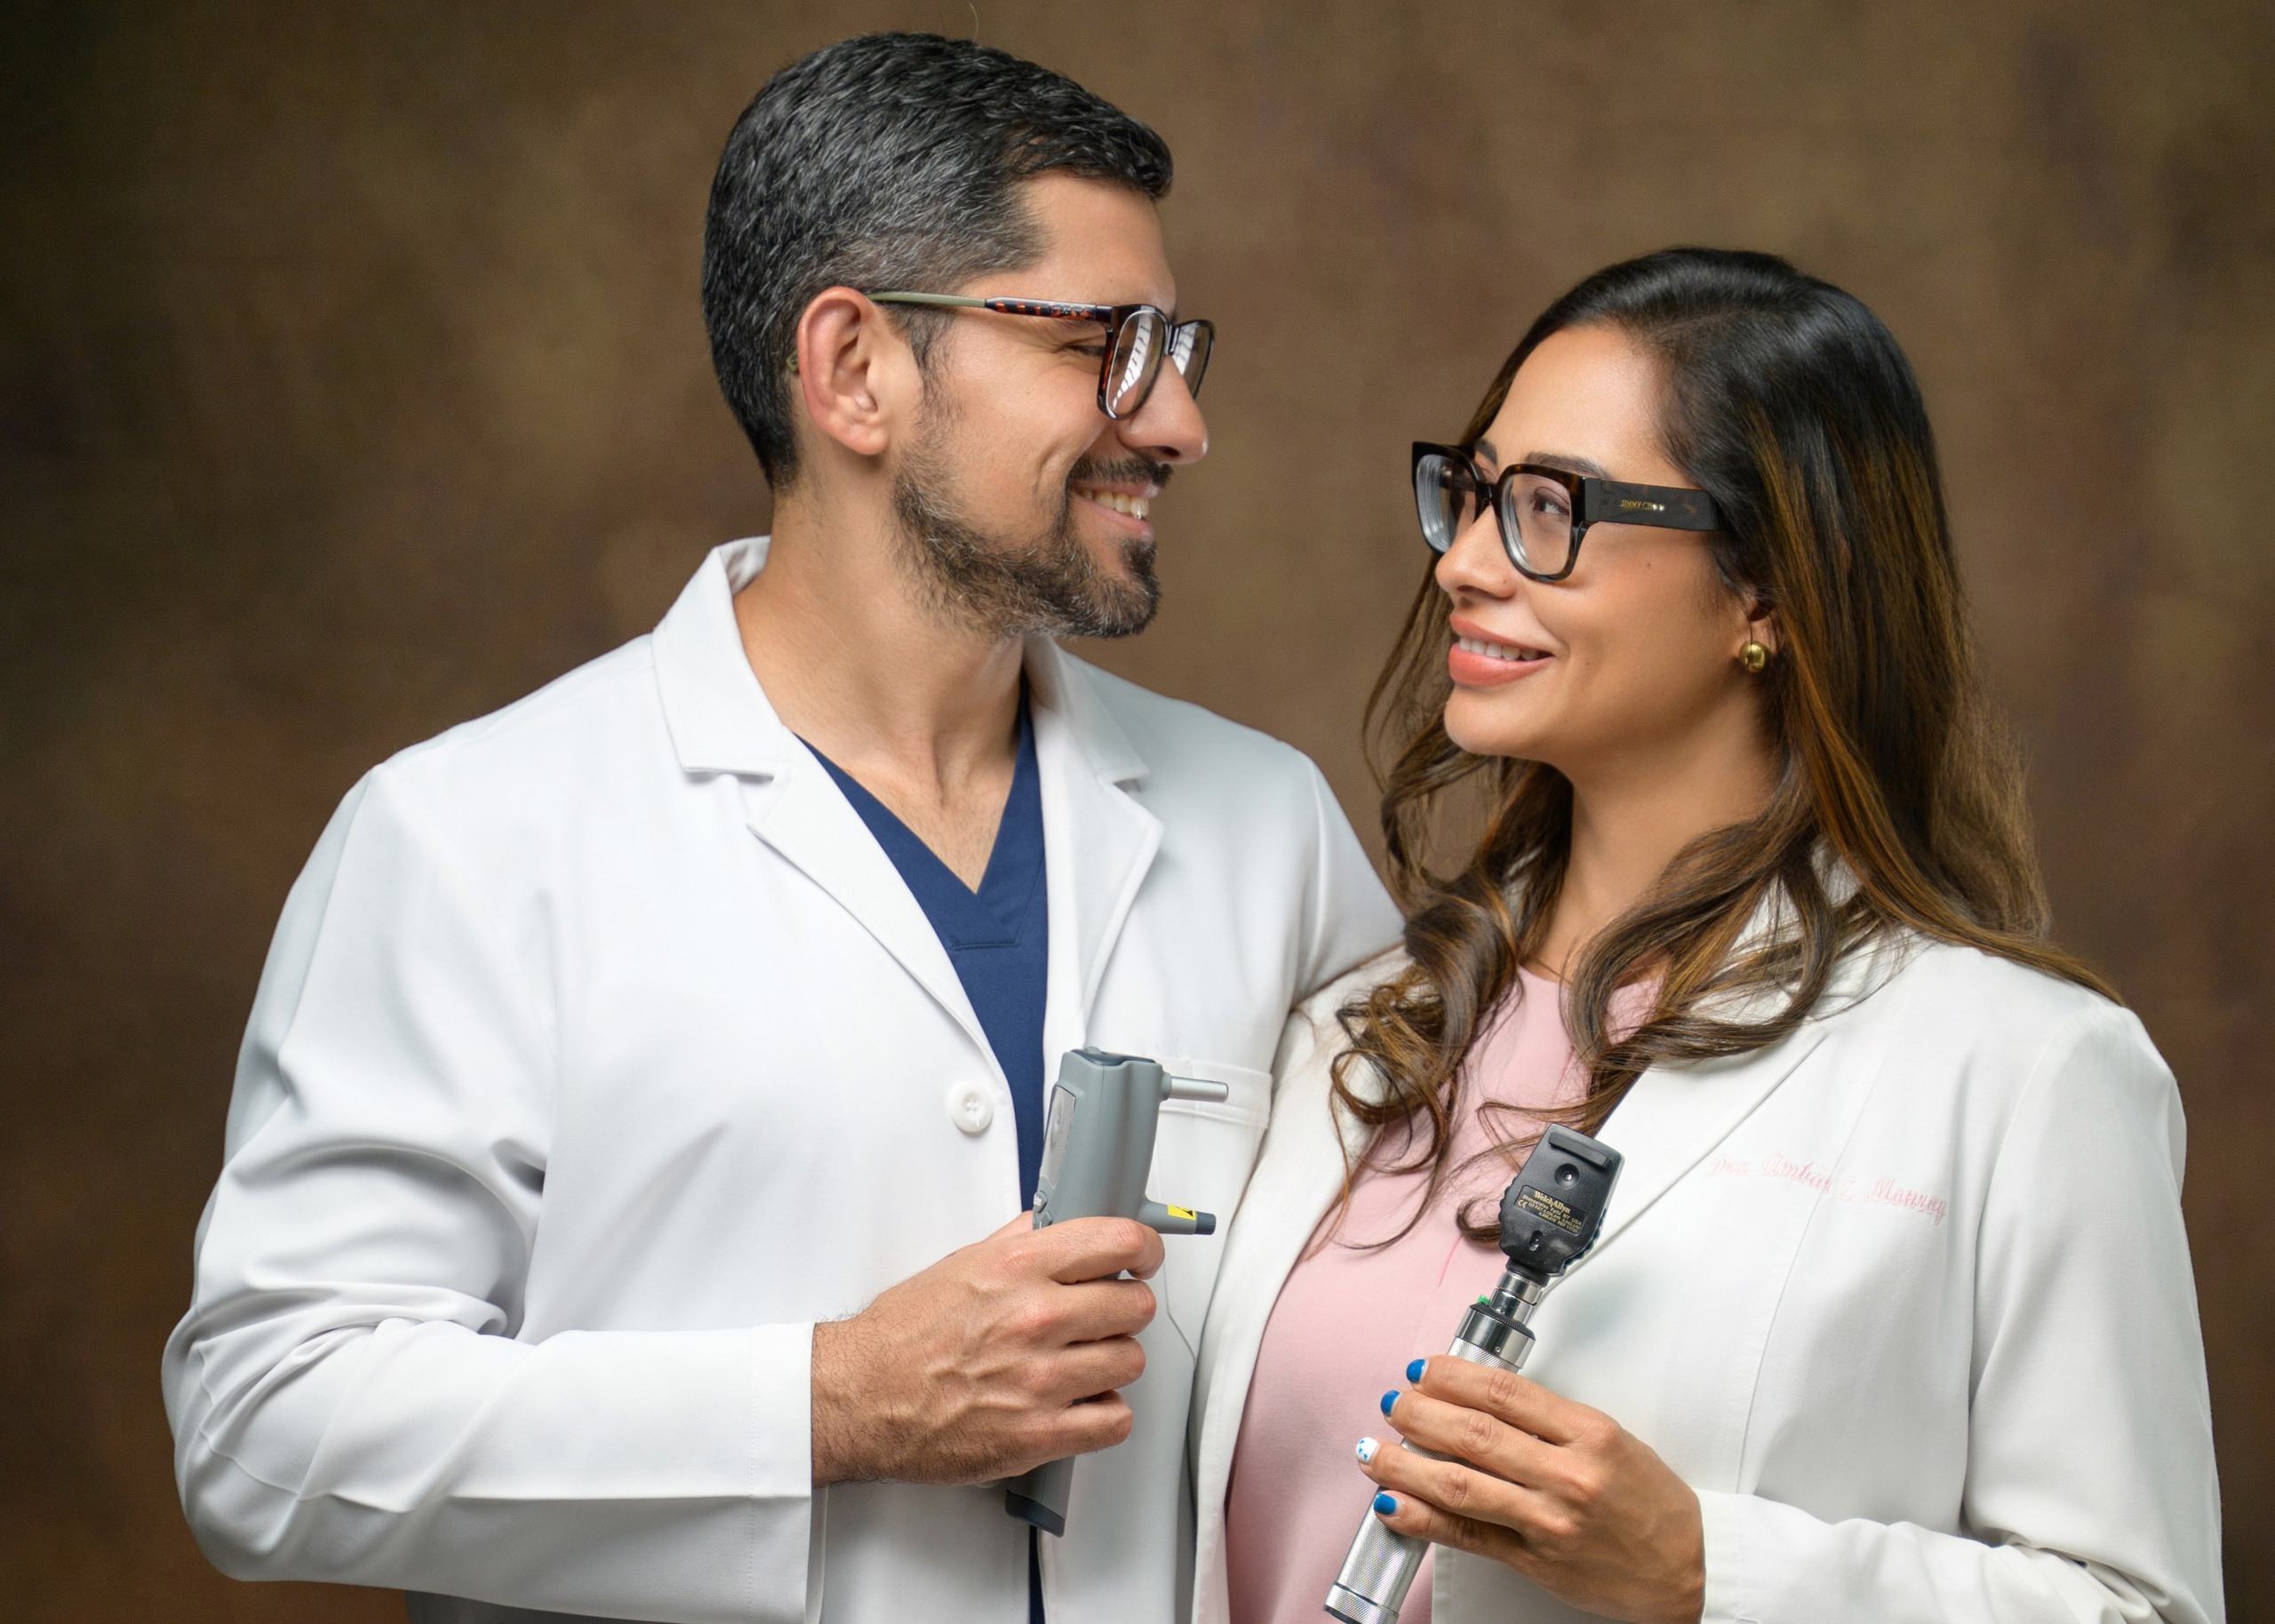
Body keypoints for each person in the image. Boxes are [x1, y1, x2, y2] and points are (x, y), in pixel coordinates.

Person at [163, 34, 1397, 1624]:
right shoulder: (468, 839)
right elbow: (265, 1427)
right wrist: (832, 1402)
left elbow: (1395, 1307)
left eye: (1179, 348)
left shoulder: (1266, 827)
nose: (1176, 424)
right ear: (855, 370)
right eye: (1109, 343)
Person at [1190, 249, 2221, 1624]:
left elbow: (2142, 1606)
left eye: (1551, 508)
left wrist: (1702, 1571)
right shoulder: (1359, 1024)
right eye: (1478, 494)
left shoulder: (2024, 1076)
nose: (1468, 562)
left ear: (1770, 594)